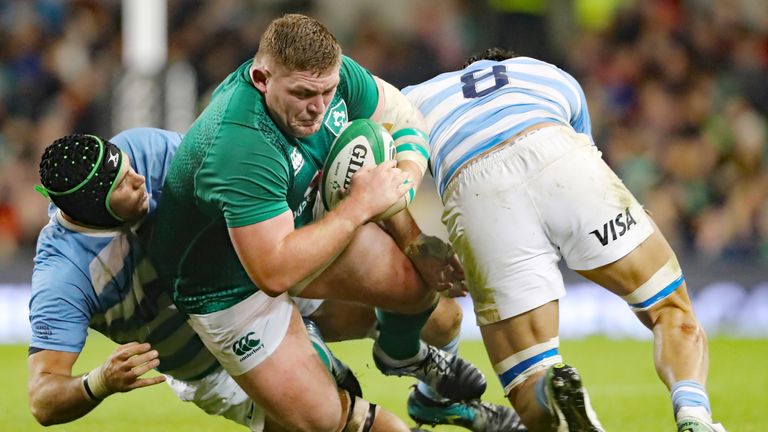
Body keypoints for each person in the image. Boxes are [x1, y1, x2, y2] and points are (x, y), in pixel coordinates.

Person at [150, 13, 493, 432]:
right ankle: (309, 348)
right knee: (324, 422)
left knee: (421, 291)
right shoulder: (240, 145)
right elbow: (274, 273)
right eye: (302, 94)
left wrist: (401, 198)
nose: (318, 108)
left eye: (327, 91)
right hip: (227, 287)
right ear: (261, 78)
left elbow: (405, 118)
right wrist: (358, 208)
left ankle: (400, 355)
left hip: (297, 229)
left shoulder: (332, 76)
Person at [401, 47, 727, 432]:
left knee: (527, 376)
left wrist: (417, 243)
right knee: (670, 310)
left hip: (475, 187)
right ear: (508, 61)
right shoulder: (548, 74)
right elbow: (583, 156)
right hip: (557, 153)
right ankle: (694, 417)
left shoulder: (415, 96)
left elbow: (391, 181)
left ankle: (552, 398)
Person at [27, 129, 408, 431]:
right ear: (96, 211)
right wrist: (100, 382)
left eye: (128, 166)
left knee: (395, 303)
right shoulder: (64, 275)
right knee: (329, 421)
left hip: (251, 286)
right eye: (123, 185)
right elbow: (42, 399)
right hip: (210, 369)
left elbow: (225, 181)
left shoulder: (145, 148)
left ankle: (425, 368)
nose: (139, 177)